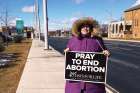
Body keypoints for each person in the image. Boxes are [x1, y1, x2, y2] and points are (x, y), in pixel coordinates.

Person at [64, 17, 110, 93]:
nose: (85, 28)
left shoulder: (97, 40)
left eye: (87, 26)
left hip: (93, 86)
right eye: (83, 26)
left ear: (91, 28)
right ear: (79, 28)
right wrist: (66, 52)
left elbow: (104, 53)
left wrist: (106, 53)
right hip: (74, 86)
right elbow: (69, 54)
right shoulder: (72, 40)